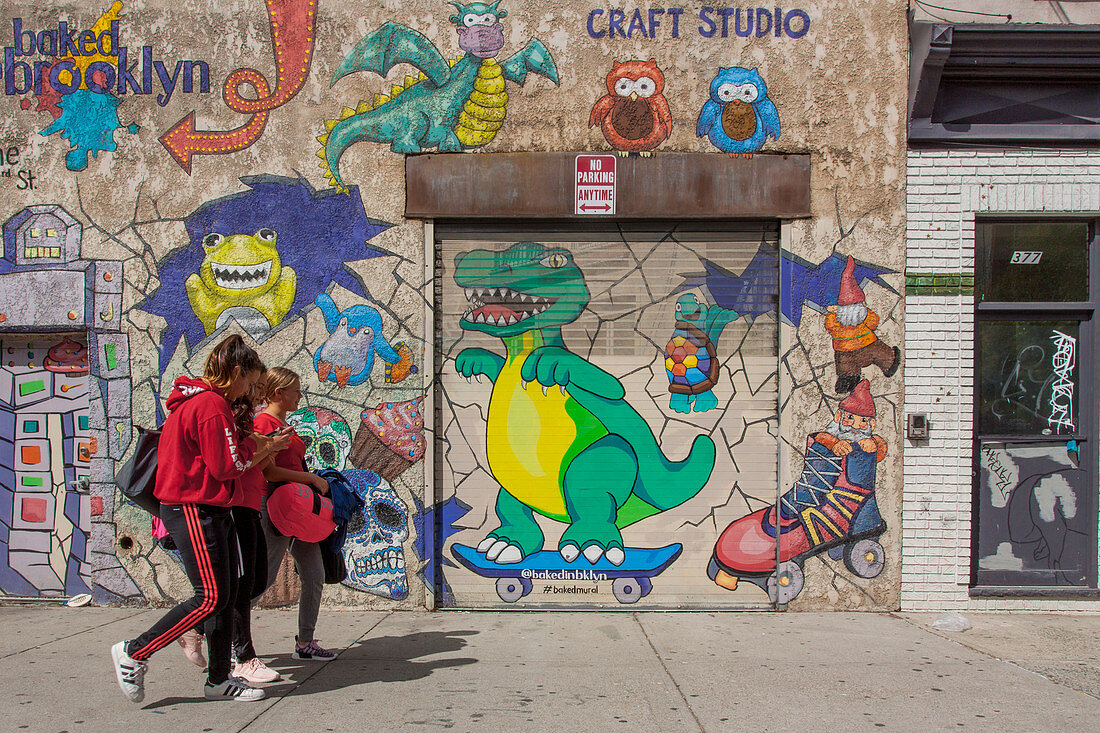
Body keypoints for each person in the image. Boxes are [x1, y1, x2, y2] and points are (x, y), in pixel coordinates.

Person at [110, 335, 291, 703]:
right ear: (236, 372)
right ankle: (135, 651)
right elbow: (228, 466)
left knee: (222, 597)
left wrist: (252, 447)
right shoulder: (211, 404)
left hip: (206, 507)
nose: (250, 392)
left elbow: (226, 462)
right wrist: (260, 447)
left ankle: (219, 680)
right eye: (251, 384)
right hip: (193, 506)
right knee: (210, 597)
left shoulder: (204, 402)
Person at [253, 367, 338, 662]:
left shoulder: (283, 423)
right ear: (278, 393)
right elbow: (269, 471)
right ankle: (219, 633)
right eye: (296, 391)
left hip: (300, 509)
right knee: (262, 579)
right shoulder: (264, 424)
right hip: (276, 508)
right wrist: (311, 480)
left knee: (315, 575)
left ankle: (305, 642)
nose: (300, 396)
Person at [228, 379, 282, 685]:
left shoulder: (249, 417)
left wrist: (270, 446)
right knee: (241, 583)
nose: (259, 392)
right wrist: (270, 446)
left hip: (250, 503)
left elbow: (252, 462)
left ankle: (203, 627)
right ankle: (243, 657)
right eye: (256, 385)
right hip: (236, 505)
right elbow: (235, 464)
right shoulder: (236, 415)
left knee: (257, 579)